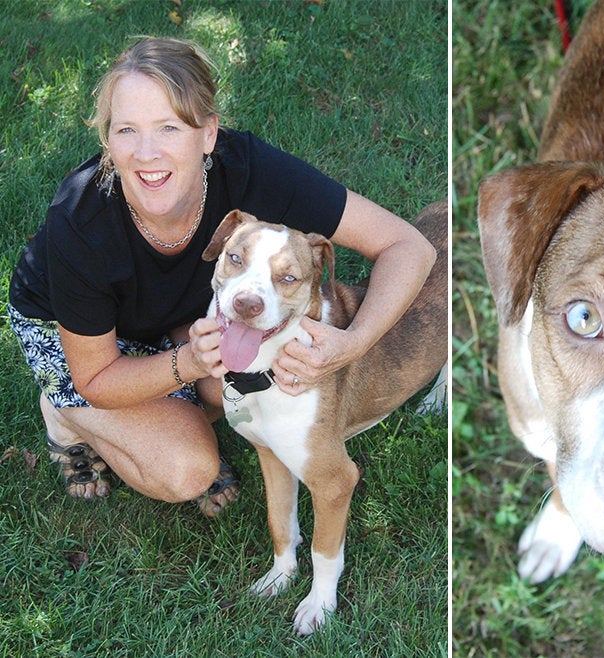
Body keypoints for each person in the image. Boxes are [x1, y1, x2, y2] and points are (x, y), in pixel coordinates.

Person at [6, 37, 436, 517]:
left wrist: (352, 344)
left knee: (238, 383)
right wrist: (188, 363)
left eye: (168, 127)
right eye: (126, 129)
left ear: (208, 134)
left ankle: (175, 400)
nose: (146, 154)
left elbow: (409, 247)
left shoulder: (248, 169)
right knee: (187, 469)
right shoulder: (80, 220)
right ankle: (66, 415)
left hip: (174, 315)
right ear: (107, 138)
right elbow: (99, 377)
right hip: (79, 341)